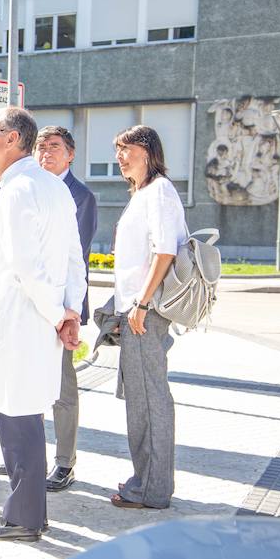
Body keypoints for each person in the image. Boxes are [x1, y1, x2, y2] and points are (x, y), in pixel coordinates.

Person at [0, 108, 85, 542]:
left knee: (17, 422)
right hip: (40, 322)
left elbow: (26, 267)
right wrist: (69, 311)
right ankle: (32, 511)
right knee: (28, 419)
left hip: (21, 321)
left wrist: (61, 315)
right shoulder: (53, 187)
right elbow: (76, 260)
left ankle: (22, 518)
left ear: (13, 138)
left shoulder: (18, 189)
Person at [0, 126, 98, 491]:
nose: (46, 153)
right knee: (27, 387)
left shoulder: (78, 195)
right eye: (40, 146)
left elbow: (73, 257)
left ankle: (64, 462)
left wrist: (66, 312)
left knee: (61, 388)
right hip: (33, 309)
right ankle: (23, 456)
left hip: (60, 308)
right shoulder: (26, 186)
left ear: (70, 155)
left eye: (54, 148)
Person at [109, 125, 187, 510]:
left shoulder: (159, 191)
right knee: (139, 400)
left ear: (149, 151)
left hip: (147, 313)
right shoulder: (141, 193)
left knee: (149, 400)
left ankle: (152, 489)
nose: (121, 157)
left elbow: (165, 250)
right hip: (136, 311)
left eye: (128, 149)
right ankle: (146, 480)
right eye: (118, 151)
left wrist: (140, 303)